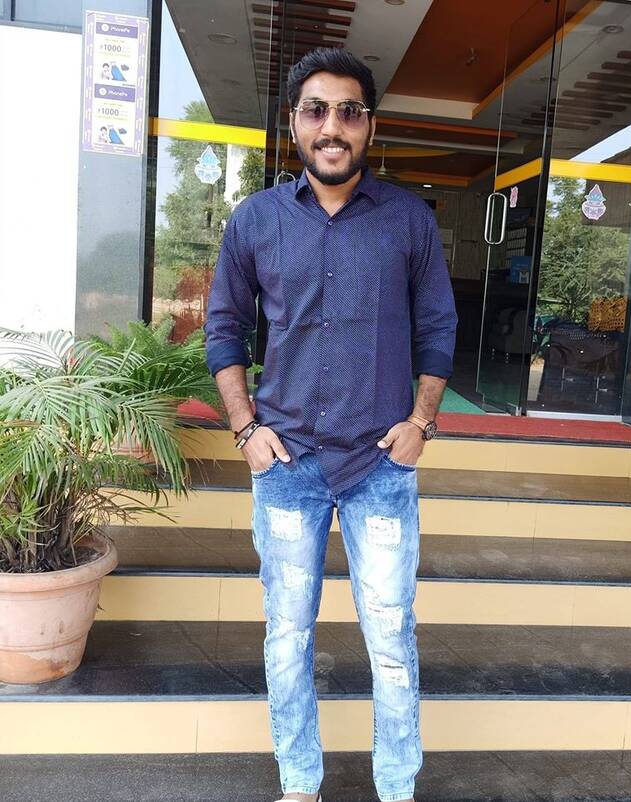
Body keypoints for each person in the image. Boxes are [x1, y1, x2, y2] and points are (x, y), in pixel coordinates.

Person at [203, 47, 458, 802]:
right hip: (287, 467)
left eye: (349, 111)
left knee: (391, 637)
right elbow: (224, 328)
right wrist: (245, 429)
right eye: (317, 110)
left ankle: (396, 786)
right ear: (294, 123)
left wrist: (422, 422)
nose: (332, 126)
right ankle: (299, 783)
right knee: (287, 637)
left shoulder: (409, 220)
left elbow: (438, 328)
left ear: (369, 125)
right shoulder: (256, 221)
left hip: (380, 466)